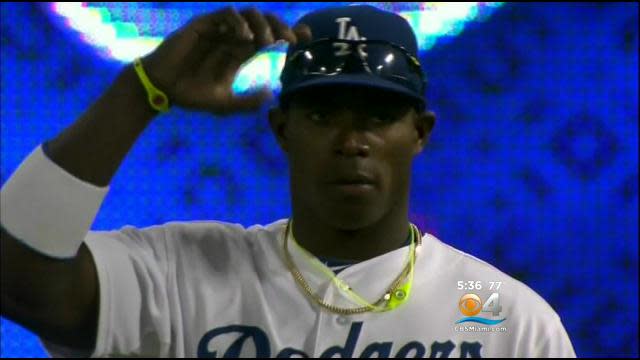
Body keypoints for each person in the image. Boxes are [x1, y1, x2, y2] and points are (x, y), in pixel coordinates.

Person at [0, 5, 576, 358]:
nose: (353, 139)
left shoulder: (510, 321)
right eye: (324, 113)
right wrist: (143, 88)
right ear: (281, 128)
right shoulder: (182, 274)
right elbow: (16, 274)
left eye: (378, 114)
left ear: (420, 132)